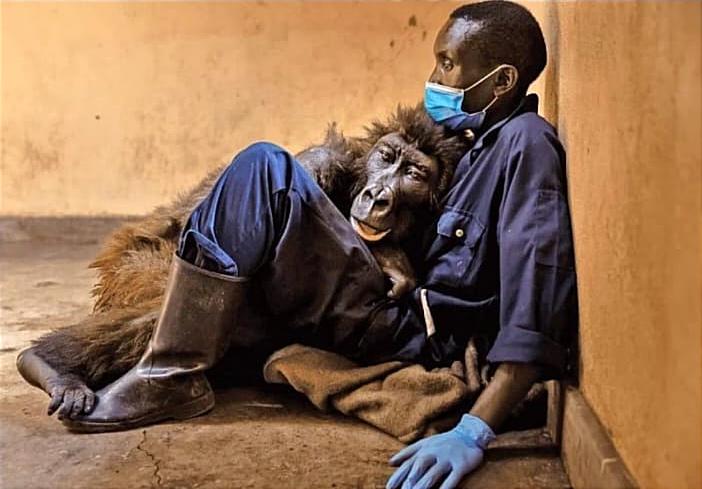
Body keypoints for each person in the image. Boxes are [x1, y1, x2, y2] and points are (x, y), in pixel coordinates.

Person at [63, 2, 578, 488]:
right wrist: (387, 253)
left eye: (447, 64)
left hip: (405, 331)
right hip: (383, 298)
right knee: (271, 185)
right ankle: (165, 360)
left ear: (503, 80)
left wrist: (474, 431)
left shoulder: (525, 146)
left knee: (266, 168)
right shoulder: (466, 142)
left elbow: (536, 296)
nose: (435, 80)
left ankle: (171, 374)